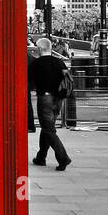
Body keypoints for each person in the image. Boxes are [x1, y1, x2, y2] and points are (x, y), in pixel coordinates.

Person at [28, 36, 71, 171]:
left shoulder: (36, 63)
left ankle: (63, 158)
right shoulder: (59, 63)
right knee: (47, 127)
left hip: (45, 98)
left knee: (48, 129)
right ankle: (41, 157)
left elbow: (30, 81)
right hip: (59, 99)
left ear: (40, 49)